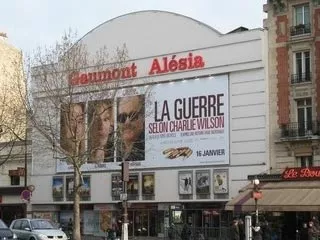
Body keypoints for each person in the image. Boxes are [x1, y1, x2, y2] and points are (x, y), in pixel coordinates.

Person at [117, 95, 145, 161]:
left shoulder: (147, 150)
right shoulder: (113, 152)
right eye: (122, 117)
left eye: (133, 115)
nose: (127, 122)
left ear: (143, 118)